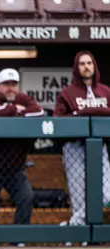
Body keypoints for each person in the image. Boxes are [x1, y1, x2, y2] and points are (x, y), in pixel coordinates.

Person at [0, 69, 43, 230]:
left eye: (13, 84)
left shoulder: (24, 98)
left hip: (15, 168)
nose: (10, 88)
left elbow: (39, 112)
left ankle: (19, 239)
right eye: (6, 84)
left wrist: (10, 110)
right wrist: (16, 109)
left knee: (26, 198)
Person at [54, 51, 110, 228]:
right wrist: (87, 112)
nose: (86, 67)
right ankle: (82, 236)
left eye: (89, 63)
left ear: (94, 66)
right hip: (74, 147)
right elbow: (58, 121)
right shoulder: (67, 93)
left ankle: (72, 226)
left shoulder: (105, 91)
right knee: (79, 198)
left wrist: (82, 112)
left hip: (98, 146)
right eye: (82, 64)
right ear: (76, 68)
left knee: (107, 193)